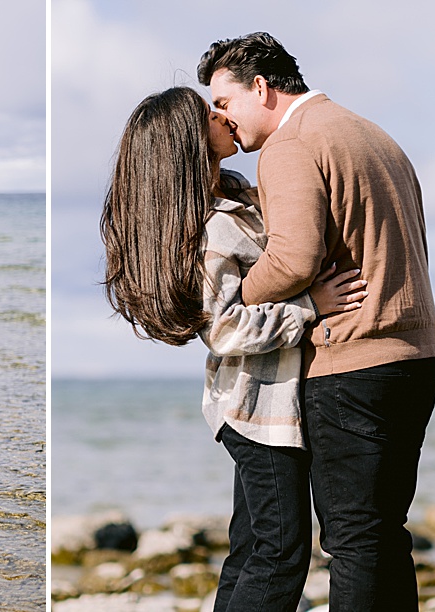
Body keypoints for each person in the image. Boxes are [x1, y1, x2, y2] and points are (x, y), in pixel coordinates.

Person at [200, 32, 435, 610]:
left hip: (349, 361)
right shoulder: (374, 135)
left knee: (355, 540)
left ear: (261, 87)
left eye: (225, 102)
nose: (224, 119)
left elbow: (292, 258)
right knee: (384, 536)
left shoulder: (291, 145)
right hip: (416, 357)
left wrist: (231, 302)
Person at [101, 87, 365, 611]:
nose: (223, 115)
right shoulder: (212, 229)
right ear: (189, 141)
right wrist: (310, 306)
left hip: (265, 408)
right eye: (209, 113)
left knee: (252, 550)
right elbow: (224, 330)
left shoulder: (239, 196)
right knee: (281, 553)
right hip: (255, 410)